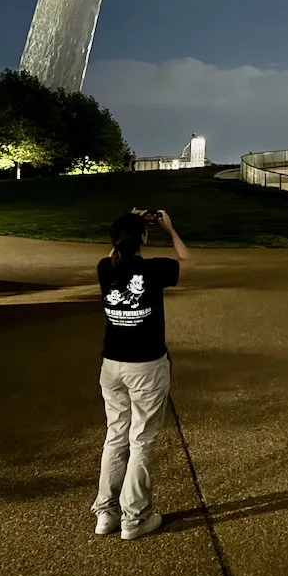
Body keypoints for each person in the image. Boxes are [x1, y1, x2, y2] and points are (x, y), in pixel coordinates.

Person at [90, 207, 189, 540]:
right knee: (141, 440)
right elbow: (186, 262)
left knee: (116, 436)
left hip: (112, 365)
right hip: (146, 366)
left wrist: (126, 219)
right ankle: (135, 518)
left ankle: (106, 513)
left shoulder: (105, 267)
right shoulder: (154, 269)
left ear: (114, 241)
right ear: (143, 238)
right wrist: (169, 229)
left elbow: (116, 251)